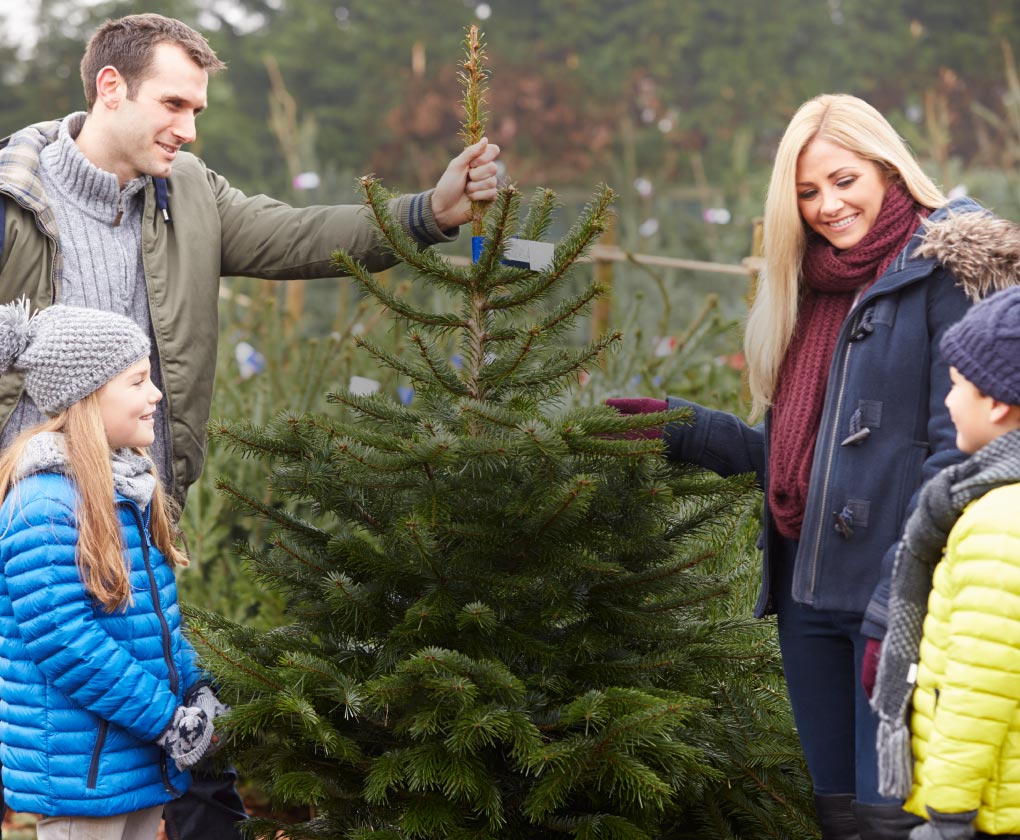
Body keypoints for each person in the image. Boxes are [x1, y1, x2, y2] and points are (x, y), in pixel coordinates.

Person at [0, 12, 499, 838]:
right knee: (68, 739)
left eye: (197, 109)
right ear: (110, 87)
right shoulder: (13, 200)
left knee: (151, 754)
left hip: (140, 512)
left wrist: (428, 214)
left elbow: (295, 233)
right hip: (36, 519)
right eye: (173, 104)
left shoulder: (185, 193)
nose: (188, 129)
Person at [608, 94, 992, 840]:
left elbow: (966, 457)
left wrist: (902, 596)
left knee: (898, 823)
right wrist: (685, 429)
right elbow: (807, 464)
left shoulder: (951, 270)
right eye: (808, 192)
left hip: (899, 603)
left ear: (887, 168)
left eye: (844, 180)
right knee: (842, 820)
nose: (828, 206)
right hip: (808, 596)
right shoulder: (815, 286)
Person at [0, 302, 227, 840]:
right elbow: (64, 641)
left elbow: (158, 621)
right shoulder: (46, 504)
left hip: (137, 760)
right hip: (87, 773)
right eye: (138, 381)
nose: (156, 395)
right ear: (89, 396)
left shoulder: (126, 490)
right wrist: (166, 721)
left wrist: (196, 689)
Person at [872, 285, 1020, 840]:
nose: (948, 401)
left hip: (988, 809)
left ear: (998, 402)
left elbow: (980, 688)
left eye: (957, 385)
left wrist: (949, 814)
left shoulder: (1001, 519)